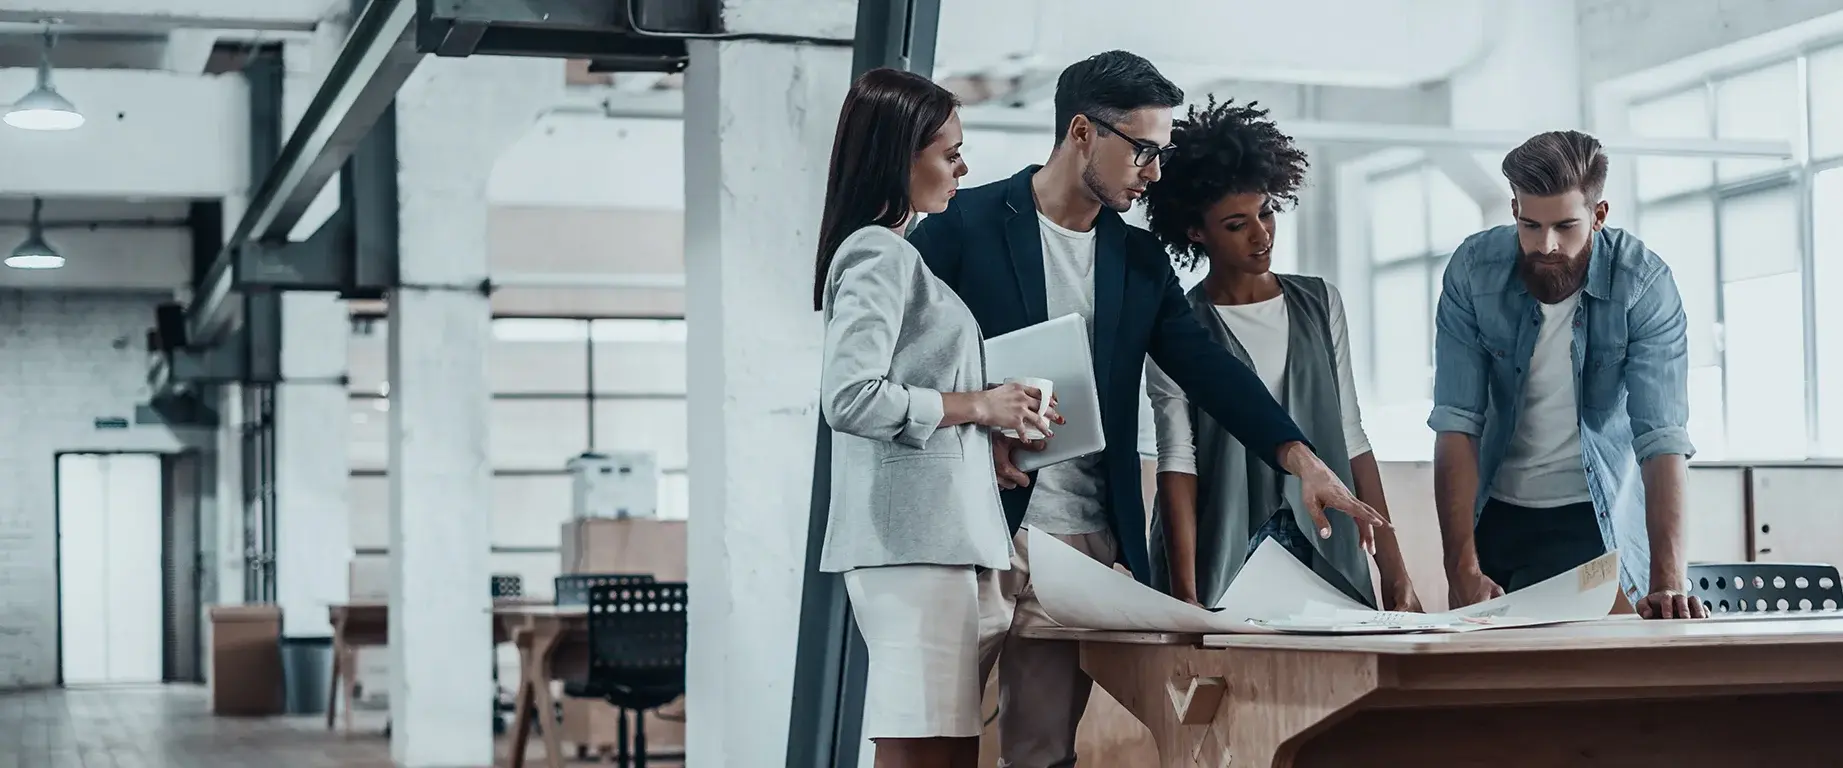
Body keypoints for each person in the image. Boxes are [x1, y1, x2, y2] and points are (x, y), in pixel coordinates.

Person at [910, 51, 1387, 768]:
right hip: (973, 532)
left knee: (1041, 753)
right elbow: (901, 361)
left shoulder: (1137, 260)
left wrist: (1303, 461)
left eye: (1159, 155)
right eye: (1142, 151)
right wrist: (978, 419)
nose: (1153, 172)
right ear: (1080, 132)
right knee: (934, 748)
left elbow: (1208, 371)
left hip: (1082, 544)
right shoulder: (962, 224)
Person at [814, 68, 1062, 768]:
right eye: (948, 152)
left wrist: (988, 434)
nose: (962, 166)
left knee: (943, 750)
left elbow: (908, 395)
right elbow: (851, 397)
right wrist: (979, 405)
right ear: (901, 155)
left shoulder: (894, 253)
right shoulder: (876, 253)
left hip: (933, 542)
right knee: (925, 751)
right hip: (911, 548)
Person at [1141, 99, 1422, 612]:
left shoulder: (1320, 302)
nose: (1261, 233)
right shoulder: (1175, 324)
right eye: (1235, 223)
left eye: (1266, 211)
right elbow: (1178, 461)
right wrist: (1183, 594)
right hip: (1223, 549)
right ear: (1195, 231)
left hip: (1327, 543)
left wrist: (1396, 575)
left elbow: (1351, 436)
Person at [1429, 130, 1707, 620]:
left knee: (1601, 682)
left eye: (1565, 226)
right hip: (1497, 513)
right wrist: (1460, 568)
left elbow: (1661, 438)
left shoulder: (1643, 284)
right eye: (1530, 225)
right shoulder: (1473, 271)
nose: (1546, 245)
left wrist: (1668, 582)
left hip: (1595, 520)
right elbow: (1457, 423)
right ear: (1514, 209)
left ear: (1599, 216)